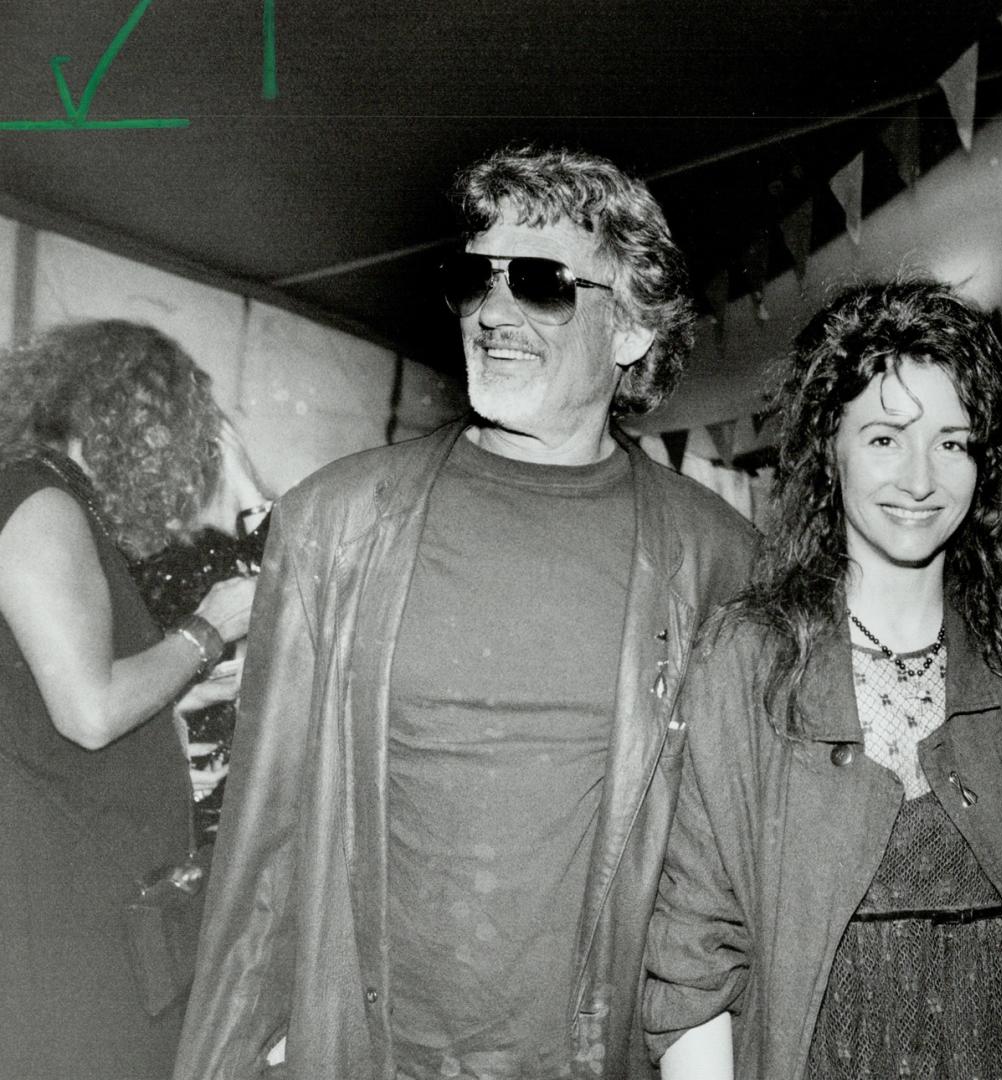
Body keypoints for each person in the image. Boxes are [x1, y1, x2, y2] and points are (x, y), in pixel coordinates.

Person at [175, 144, 756, 1080]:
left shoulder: (717, 562)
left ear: (633, 331)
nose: (492, 311)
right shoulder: (337, 525)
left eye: (540, 284)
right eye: (474, 279)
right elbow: (266, 849)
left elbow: (718, 887)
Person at [642, 280, 1002, 1080]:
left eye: (951, 442)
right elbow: (692, 950)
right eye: (883, 439)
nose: (920, 479)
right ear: (827, 453)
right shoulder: (750, 658)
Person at [0, 320, 256, 1080]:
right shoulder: (41, 503)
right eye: (160, 423)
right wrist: (210, 628)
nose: (166, 453)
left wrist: (184, 685)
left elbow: (39, 706)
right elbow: (87, 715)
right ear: (109, 412)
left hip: (65, 892)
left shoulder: (37, 497)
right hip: (64, 908)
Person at [133, 416, 276, 840]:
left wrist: (248, 489)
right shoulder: (96, 558)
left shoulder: (211, 552)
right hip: (140, 806)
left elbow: (296, 596)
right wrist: (177, 703)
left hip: (227, 816)